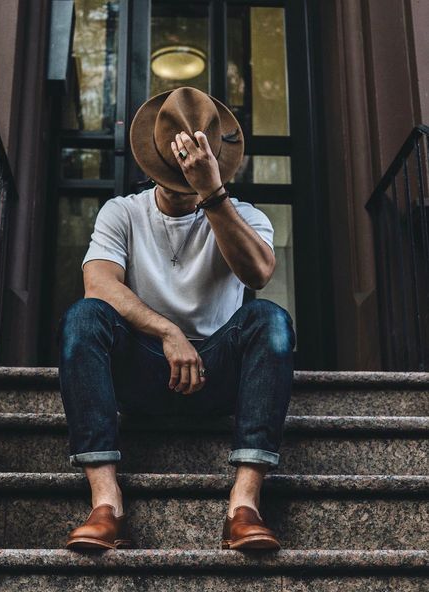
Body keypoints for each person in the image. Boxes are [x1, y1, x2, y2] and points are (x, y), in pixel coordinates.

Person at [57, 86, 296, 551]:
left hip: (218, 374)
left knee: (271, 320)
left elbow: (259, 273)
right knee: (84, 318)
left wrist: (212, 193)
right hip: (145, 370)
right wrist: (167, 331)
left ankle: (243, 506)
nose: (184, 181)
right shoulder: (122, 212)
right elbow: (99, 285)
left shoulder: (245, 216)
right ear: (153, 163)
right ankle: (106, 504)